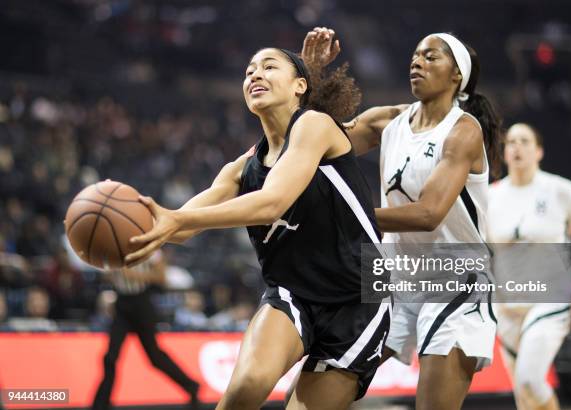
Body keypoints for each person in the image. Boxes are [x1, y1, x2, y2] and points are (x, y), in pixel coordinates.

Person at [125, 47, 391, 410]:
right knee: (245, 387)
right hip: (293, 292)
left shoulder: (315, 125)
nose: (254, 75)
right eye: (248, 71)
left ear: (301, 85)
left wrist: (180, 220)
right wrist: (134, 231)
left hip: (358, 299)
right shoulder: (241, 168)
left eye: (268, 67)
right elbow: (182, 225)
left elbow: (272, 202)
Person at [300, 28, 502, 410]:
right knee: (319, 392)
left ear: (456, 74)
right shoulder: (386, 121)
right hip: (393, 280)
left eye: (430, 56)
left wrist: (344, 217)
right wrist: (308, 76)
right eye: (414, 55)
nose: (416, 61)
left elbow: (427, 214)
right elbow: (310, 143)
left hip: (456, 281)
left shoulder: (463, 131)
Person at [487, 123, 571, 410]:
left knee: (531, 380)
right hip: (507, 308)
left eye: (524, 141)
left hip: (552, 300)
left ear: (538, 151)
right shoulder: (490, 195)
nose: (516, 146)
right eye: (511, 141)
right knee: (523, 398)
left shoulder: (560, 190)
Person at [92, 250, 200, 410]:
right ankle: (101, 403)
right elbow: (105, 275)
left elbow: (162, 277)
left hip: (141, 303)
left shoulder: (147, 246)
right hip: (122, 303)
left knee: (154, 356)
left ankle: (191, 385)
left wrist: (136, 276)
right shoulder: (112, 244)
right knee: (110, 356)